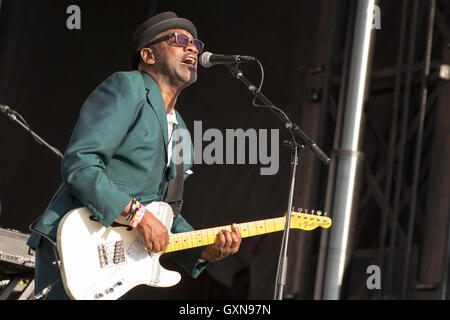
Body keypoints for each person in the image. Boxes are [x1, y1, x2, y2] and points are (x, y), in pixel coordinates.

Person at [26, 11, 242, 300]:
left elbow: (166, 212)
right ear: (148, 56)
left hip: (115, 261)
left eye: (196, 44)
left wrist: (204, 250)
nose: (192, 48)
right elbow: (81, 164)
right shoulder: (127, 87)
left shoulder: (181, 130)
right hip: (76, 242)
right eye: (179, 40)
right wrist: (138, 215)